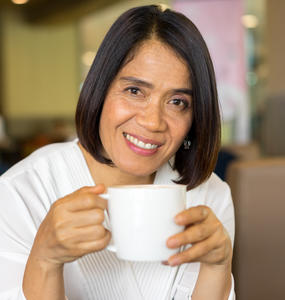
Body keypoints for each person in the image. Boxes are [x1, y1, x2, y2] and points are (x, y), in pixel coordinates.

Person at [0, 5, 235, 300]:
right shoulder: (23, 192)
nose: (152, 122)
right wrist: (44, 261)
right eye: (135, 91)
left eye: (177, 102)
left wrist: (218, 267)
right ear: (101, 89)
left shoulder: (210, 197)